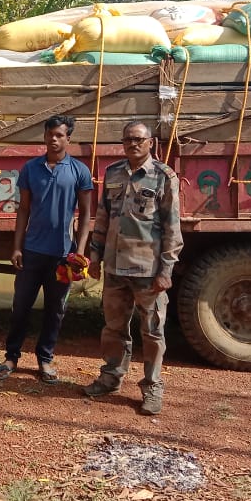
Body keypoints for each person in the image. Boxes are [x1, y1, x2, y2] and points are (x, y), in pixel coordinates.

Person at [84, 121, 183, 415]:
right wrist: (95, 256)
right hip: (115, 267)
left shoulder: (163, 177)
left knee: (152, 332)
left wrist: (166, 269)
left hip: (148, 270)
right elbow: (102, 218)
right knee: (113, 327)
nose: (133, 144)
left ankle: (152, 387)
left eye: (138, 139)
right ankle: (111, 377)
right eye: (128, 139)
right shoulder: (113, 173)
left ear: (150, 142)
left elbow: (172, 228)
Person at [0, 115, 93, 384]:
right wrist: (17, 247)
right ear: (45, 136)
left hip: (62, 254)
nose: (54, 139)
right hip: (32, 250)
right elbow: (23, 209)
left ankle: (45, 359)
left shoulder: (79, 171)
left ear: (68, 138)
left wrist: (79, 252)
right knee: (21, 305)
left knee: (55, 308)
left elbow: (85, 214)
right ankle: (11, 356)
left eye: (59, 135)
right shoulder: (31, 168)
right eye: (50, 134)